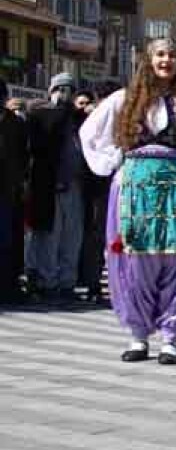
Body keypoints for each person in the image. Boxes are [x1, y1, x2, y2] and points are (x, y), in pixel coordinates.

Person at [79, 39, 176, 364]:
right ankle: (137, 335)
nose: (167, 60)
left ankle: (171, 337)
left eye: (172, 55)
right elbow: (89, 133)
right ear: (148, 60)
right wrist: (114, 159)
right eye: (160, 54)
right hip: (136, 191)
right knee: (136, 262)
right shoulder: (124, 100)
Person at [24, 73, 86, 302]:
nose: (63, 94)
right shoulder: (40, 115)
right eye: (59, 88)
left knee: (72, 238)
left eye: (68, 89)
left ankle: (66, 283)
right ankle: (47, 282)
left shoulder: (78, 118)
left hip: (75, 185)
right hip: (48, 187)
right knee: (49, 238)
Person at [75, 90, 110, 303]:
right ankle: (92, 282)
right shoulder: (90, 127)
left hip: (115, 187)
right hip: (95, 190)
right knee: (95, 237)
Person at [0, 81, 27, 304]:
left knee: (7, 239)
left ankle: (8, 285)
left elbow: (23, 155)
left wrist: (21, 181)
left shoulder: (14, 123)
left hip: (8, 188)